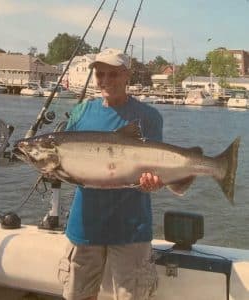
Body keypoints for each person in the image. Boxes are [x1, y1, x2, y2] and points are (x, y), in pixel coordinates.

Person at [58, 48, 164, 300]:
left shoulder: (148, 117)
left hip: (131, 230)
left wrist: (154, 183)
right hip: (84, 227)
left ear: (127, 75)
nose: (105, 81)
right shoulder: (80, 112)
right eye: (100, 74)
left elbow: (156, 167)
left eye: (113, 74)